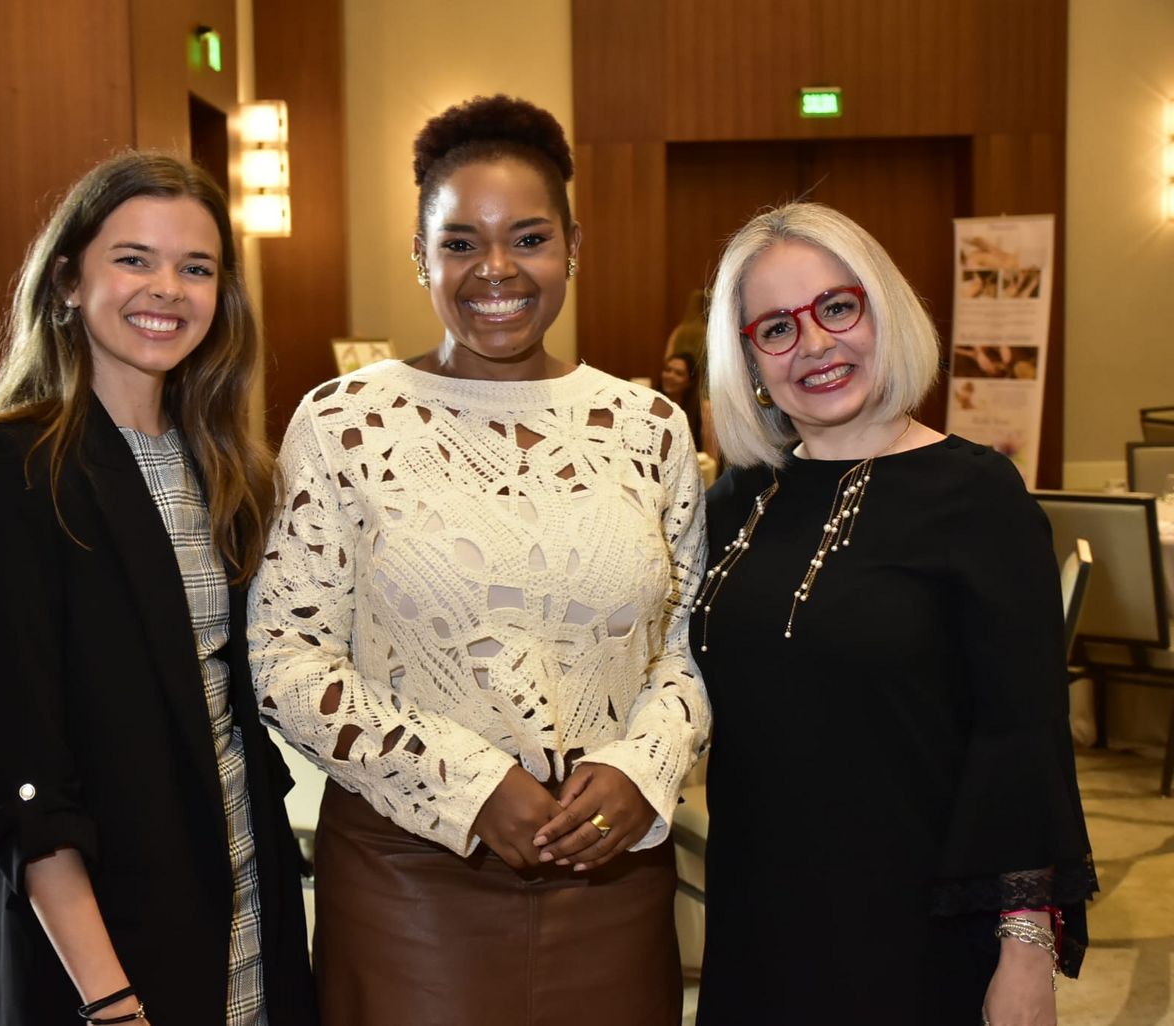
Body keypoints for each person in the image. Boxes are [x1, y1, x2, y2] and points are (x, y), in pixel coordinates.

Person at [247, 94, 708, 1026]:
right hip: (410, 875)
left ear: (572, 247)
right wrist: (467, 782)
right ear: (420, 256)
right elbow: (285, 657)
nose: (496, 269)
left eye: (528, 238)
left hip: (611, 867)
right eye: (460, 242)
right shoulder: (344, 422)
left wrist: (645, 764)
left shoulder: (649, 428)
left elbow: (692, 640)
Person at [691, 201, 1096, 1025]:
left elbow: (1022, 739)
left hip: (918, 927)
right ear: (749, 359)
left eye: (837, 307)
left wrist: (1025, 947)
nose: (815, 344)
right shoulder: (736, 501)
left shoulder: (977, 495)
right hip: (756, 920)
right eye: (777, 328)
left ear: (884, 310)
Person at [0, 152, 317, 1026]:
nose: (167, 290)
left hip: (243, 874)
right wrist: (108, 999)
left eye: (196, 268)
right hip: (106, 924)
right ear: (68, 281)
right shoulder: (7, 469)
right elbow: (21, 777)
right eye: (134, 259)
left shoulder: (228, 465)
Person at [659, 350, 719, 465]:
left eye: (678, 373)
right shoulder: (654, 404)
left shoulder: (705, 410)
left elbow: (711, 460)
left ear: (690, 381)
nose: (670, 376)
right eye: (667, 370)